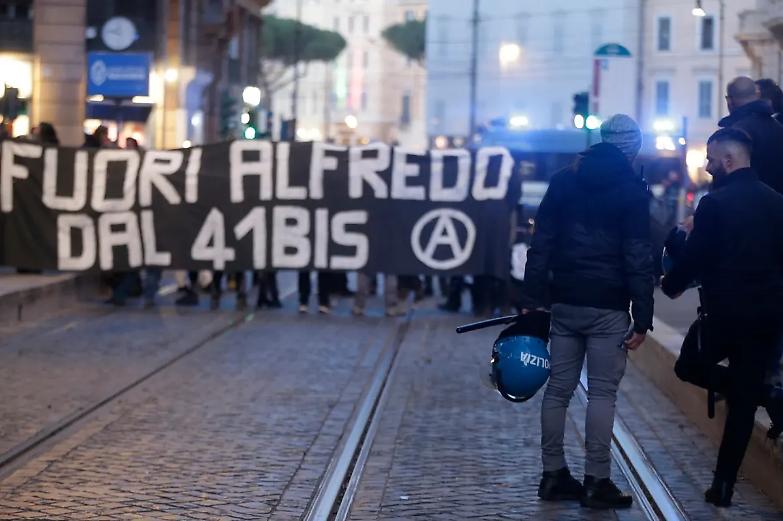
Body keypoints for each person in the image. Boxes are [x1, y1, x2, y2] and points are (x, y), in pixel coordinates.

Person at [523, 114, 653, 510]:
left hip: (564, 301)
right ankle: (597, 481)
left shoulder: (564, 179)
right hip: (608, 306)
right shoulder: (631, 190)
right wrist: (643, 315)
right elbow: (638, 255)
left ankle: (552, 475)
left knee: (557, 390)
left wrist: (532, 296)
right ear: (632, 149)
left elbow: (541, 242)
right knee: (602, 393)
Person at [662, 128, 783, 507]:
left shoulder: (714, 205)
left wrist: (670, 284)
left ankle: (761, 392)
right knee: (742, 405)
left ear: (729, 160)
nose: (707, 165)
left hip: (724, 314)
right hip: (767, 317)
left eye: (712, 159)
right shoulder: (777, 202)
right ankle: (723, 485)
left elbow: (694, 258)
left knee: (688, 366)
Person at [719, 76, 783, 195]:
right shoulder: (778, 128)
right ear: (757, 95)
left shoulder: (735, 133)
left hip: (740, 202)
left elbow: (726, 175)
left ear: (729, 101)